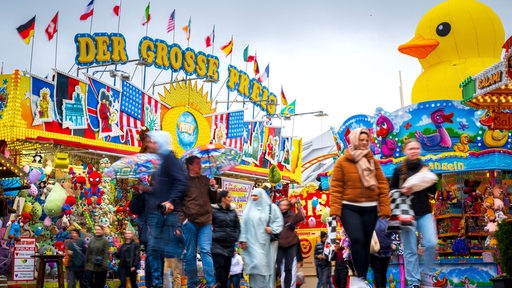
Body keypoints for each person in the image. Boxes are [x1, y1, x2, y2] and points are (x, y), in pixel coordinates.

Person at [329, 128, 391, 288]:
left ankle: (362, 278)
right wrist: (335, 210)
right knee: (357, 239)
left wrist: (385, 208)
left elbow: (383, 186)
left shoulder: (372, 161)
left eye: (366, 140)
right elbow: (336, 187)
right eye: (361, 140)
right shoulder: (342, 161)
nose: (364, 143)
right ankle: (360, 276)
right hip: (349, 207)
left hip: (370, 207)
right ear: (354, 140)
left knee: (365, 243)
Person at [140, 130, 189, 288]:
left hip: (168, 212)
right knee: (153, 248)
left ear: (159, 142)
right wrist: (148, 189)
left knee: (164, 248)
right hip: (156, 210)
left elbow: (181, 181)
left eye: (151, 142)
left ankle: (163, 280)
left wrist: (172, 201)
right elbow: (162, 186)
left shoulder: (169, 158)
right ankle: (156, 283)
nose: (149, 145)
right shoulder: (157, 160)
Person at [389, 139, 437, 288]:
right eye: (411, 148)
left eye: (416, 148)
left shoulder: (425, 168)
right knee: (410, 250)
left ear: (420, 150)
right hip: (405, 213)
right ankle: (414, 282)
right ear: (405, 151)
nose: (414, 151)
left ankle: (427, 274)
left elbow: (432, 191)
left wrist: (430, 180)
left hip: (424, 211)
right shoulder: (399, 170)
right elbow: (391, 191)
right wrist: (402, 190)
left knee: (431, 242)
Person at [182, 155, 218, 288]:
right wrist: (183, 220)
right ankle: (192, 284)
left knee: (205, 251)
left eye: (201, 163)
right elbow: (178, 203)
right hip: (190, 222)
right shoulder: (184, 182)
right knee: (190, 254)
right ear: (190, 165)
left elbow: (214, 200)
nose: (200, 165)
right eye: (197, 163)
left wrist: (213, 188)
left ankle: (211, 283)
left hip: (206, 222)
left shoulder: (206, 180)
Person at [239, 188, 283, 288]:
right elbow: (243, 225)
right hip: (252, 245)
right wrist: (243, 239)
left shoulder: (271, 208)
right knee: (255, 267)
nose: (254, 198)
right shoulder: (248, 209)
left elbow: (278, 221)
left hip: (267, 244)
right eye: (252, 196)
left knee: (266, 269)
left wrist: (272, 229)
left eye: (256, 195)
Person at [212, 190, 241, 288]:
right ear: (223, 198)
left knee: (226, 270)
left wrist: (235, 237)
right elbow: (208, 226)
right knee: (219, 268)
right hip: (217, 245)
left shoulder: (233, 212)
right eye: (229, 197)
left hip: (229, 245)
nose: (231, 199)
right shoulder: (214, 210)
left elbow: (237, 226)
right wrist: (214, 235)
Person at [276, 198, 304, 288]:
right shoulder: (275, 215)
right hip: (279, 248)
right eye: (281, 205)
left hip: (290, 248)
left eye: (285, 205)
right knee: (278, 269)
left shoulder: (291, 216)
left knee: (289, 271)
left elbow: (301, 216)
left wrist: (297, 205)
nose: (283, 207)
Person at [369, 218, 396, 288]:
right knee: (382, 273)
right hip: (385, 250)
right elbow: (395, 232)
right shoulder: (388, 219)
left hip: (376, 250)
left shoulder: (372, 218)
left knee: (379, 273)